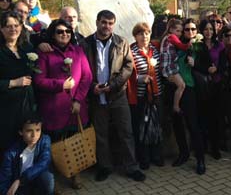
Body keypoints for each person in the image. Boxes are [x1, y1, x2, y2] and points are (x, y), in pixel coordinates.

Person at [83, 10, 145, 182]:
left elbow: (128, 66)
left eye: (110, 23)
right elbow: (82, 69)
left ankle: (131, 167)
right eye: (104, 22)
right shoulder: (86, 43)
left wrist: (113, 85)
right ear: (97, 22)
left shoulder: (121, 42)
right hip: (96, 96)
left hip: (117, 95)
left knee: (126, 132)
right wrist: (92, 87)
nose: (107, 26)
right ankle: (105, 166)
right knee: (101, 134)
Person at [32, 19, 92, 189]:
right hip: (54, 109)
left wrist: (78, 99)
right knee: (54, 145)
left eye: (67, 31)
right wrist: (61, 85)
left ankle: (75, 174)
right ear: (52, 34)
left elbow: (87, 77)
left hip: (75, 108)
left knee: (74, 142)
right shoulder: (45, 53)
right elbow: (39, 80)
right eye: (59, 31)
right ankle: (54, 179)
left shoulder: (78, 51)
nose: (64, 34)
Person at [170, 19, 206, 175]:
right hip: (174, 88)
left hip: (190, 89)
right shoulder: (175, 44)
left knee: (193, 125)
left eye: (193, 29)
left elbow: (207, 67)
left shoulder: (200, 46)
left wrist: (195, 63)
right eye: (186, 29)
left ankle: (200, 159)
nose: (190, 32)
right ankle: (183, 153)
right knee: (177, 124)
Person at [127, 22, 164, 170]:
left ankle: (156, 155)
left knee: (156, 126)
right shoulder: (131, 52)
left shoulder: (154, 50)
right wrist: (139, 78)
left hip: (156, 95)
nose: (145, 36)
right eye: (141, 34)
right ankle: (143, 158)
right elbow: (128, 74)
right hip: (140, 97)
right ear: (135, 36)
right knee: (141, 128)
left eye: (147, 33)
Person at [0, 12, 36, 161]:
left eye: (16, 25)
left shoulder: (26, 48)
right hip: (6, 108)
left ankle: (26, 178)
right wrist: (14, 82)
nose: (13, 29)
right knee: (8, 146)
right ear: (1, 29)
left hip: (27, 104)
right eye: (8, 26)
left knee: (27, 144)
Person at [0, 115, 54, 195]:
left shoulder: (45, 140)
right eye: (29, 131)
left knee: (47, 178)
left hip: (33, 180)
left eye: (38, 130)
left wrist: (21, 180)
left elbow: (45, 162)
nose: (34, 135)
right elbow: (4, 180)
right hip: (20, 187)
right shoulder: (11, 153)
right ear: (20, 132)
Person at [196, 20, 224, 160]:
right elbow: (194, 65)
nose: (209, 32)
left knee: (216, 118)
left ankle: (215, 147)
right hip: (202, 85)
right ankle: (203, 146)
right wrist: (206, 69)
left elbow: (225, 64)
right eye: (206, 29)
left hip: (216, 84)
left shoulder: (220, 45)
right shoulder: (197, 45)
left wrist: (217, 69)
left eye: (211, 29)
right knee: (203, 116)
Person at [159, 19, 191, 114]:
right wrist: (191, 42)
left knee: (179, 86)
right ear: (171, 29)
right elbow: (182, 46)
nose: (180, 34)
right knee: (181, 85)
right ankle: (176, 107)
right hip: (169, 67)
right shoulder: (171, 37)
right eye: (178, 31)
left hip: (169, 66)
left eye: (181, 31)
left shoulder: (166, 37)